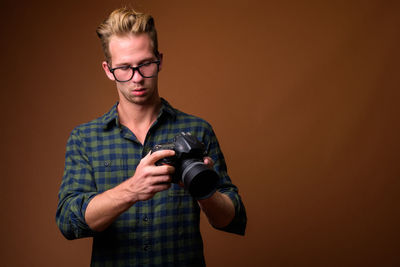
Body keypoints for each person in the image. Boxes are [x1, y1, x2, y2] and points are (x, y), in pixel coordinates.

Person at [56, 7, 246, 267]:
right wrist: (131, 190)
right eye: (124, 68)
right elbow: (68, 221)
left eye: (145, 64)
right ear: (108, 69)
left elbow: (232, 219)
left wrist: (204, 190)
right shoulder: (85, 138)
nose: (136, 78)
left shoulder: (198, 130)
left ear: (160, 60)